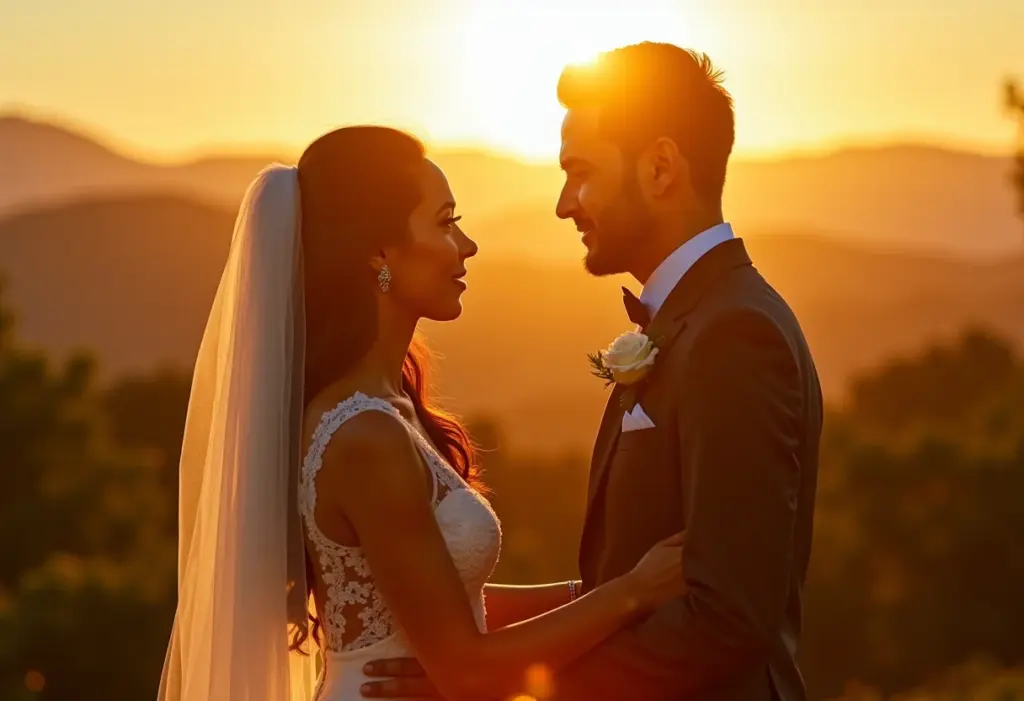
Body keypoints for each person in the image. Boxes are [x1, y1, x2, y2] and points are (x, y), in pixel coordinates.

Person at [157, 125, 687, 701]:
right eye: (445, 222)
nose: (467, 245)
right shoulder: (365, 436)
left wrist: (592, 592)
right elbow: (467, 669)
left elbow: (446, 601)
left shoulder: (388, 409)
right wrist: (631, 594)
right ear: (379, 252)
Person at [360, 42, 823, 701]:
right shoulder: (698, 321)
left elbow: (726, 621)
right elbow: (628, 580)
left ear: (661, 167)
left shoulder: (735, 336)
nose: (563, 203)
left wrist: (502, 683)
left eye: (580, 173)